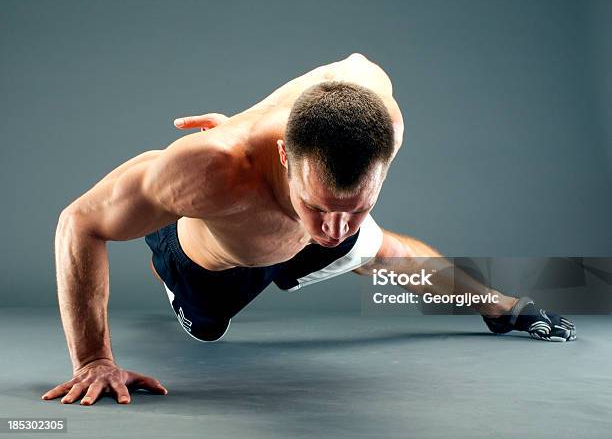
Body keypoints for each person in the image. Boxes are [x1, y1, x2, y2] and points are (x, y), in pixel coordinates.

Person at [42, 53, 576, 407]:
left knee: (386, 252)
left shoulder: (377, 115)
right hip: (214, 263)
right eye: (321, 207)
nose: (336, 228)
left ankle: (501, 307)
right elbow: (79, 222)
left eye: (358, 206)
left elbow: (357, 62)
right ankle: (175, 254)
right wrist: (93, 360)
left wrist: (327, 211)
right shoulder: (210, 171)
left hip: (282, 224)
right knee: (206, 328)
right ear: (282, 155)